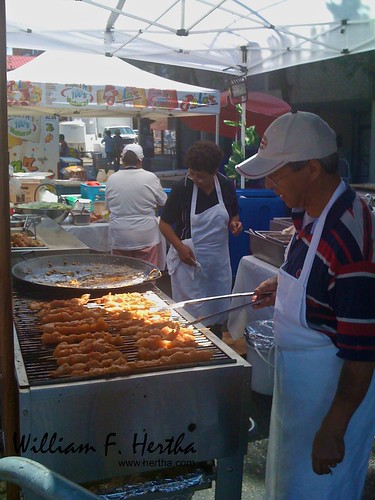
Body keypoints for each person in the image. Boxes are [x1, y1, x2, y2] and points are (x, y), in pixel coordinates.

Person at [235, 111, 375, 499]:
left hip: (332, 392)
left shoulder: (351, 240)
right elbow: (311, 268)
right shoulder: (308, 209)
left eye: (276, 174)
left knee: (317, 490)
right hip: (299, 384)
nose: (269, 184)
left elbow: (363, 352)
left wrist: (335, 427)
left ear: (312, 168)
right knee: (286, 482)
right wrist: (281, 284)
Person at [159, 140, 242, 338]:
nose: (195, 178)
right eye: (192, 173)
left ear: (214, 172)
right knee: (192, 315)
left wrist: (235, 223)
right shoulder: (183, 187)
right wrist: (179, 248)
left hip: (218, 260)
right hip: (189, 258)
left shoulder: (225, 185)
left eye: (201, 176)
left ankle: (217, 349)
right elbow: (164, 224)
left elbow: (233, 214)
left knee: (216, 309)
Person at [105, 143, 167, 266]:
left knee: (122, 275)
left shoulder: (112, 179)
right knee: (146, 273)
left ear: (123, 160)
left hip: (120, 235)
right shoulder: (150, 177)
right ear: (141, 159)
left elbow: (108, 207)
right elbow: (163, 201)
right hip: (145, 234)